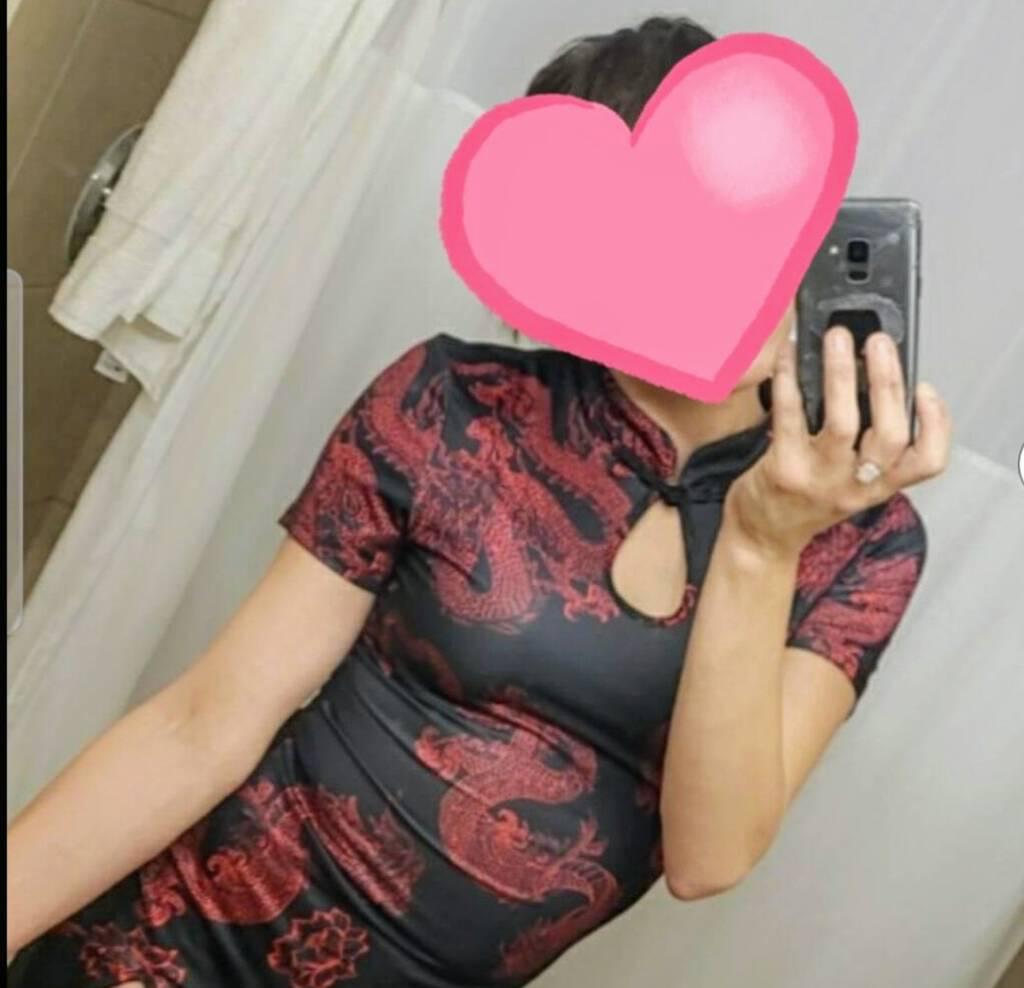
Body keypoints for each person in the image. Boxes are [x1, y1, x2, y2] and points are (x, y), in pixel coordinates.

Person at [6, 15, 950, 988]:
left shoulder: (866, 539)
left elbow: (709, 858)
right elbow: (206, 719)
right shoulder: (456, 402)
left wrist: (760, 545)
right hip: (160, 952)